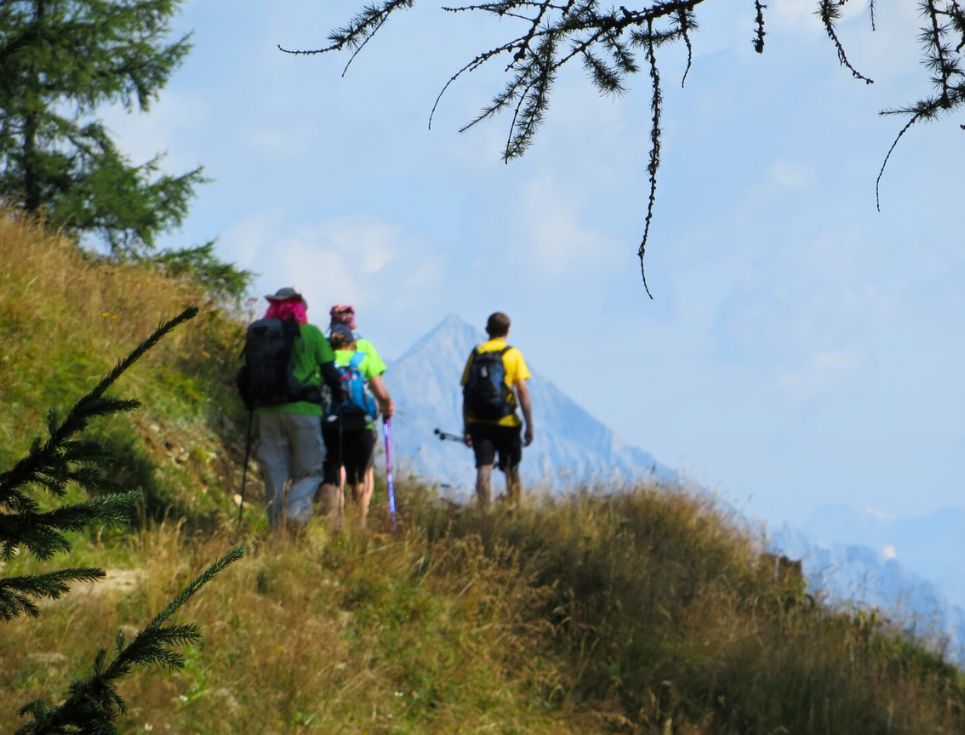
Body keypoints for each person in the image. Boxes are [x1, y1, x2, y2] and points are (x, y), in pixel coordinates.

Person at [239, 287, 342, 531]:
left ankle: (276, 532)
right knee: (310, 471)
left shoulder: (261, 334)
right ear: (300, 308)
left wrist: (251, 402)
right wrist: (339, 397)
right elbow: (330, 374)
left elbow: (245, 374)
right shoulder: (311, 333)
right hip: (305, 411)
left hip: (267, 411)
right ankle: (297, 513)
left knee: (274, 473)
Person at [317, 323, 395, 528]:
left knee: (334, 473)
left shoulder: (325, 361)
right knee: (361, 476)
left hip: (332, 427)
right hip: (361, 428)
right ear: (352, 344)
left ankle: (336, 523)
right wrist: (387, 408)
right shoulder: (362, 359)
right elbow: (382, 394)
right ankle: (360, 522)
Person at [461, 311, 533, 508]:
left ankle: (485, 513)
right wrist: (529, 425)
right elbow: (522, 391)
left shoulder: (476, 354)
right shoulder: (513, 354)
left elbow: (467, 392)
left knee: (483, 468)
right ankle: (517, 509)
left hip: (478, 423)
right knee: (511, 469)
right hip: (507, 423)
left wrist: (467, 426)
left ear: (487, 330)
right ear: (508, 331)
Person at [329, 304, 388, 514]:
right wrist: (387, 406)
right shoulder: (365, 350)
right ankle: (361, 519)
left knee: (338, 467)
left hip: (334, 421)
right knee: (365, 471)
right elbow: (378, 385)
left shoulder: (326, 351)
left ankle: (339, 517)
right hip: (362, 422)